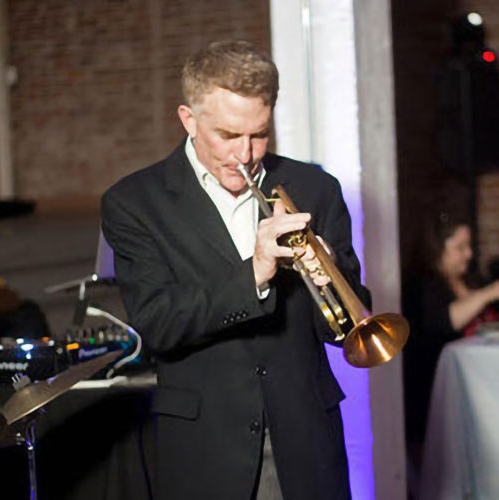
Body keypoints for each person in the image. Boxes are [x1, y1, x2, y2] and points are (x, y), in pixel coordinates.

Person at [101, 40, 370, 500]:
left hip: (306, 441)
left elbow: (345, 330)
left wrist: (327, 275)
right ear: (188, 119)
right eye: (227, 135)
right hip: (205, 448)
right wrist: (257, 271)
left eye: (260, 134)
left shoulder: (315, 187)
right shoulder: (134, 203)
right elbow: (158, 323)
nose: (245, 154)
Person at [403, 212, 499, 453]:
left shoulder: (473, 280)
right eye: (460, 247)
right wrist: (489, 293)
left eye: (469, 246)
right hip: (437, 394)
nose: (469, 254)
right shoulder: (422, 286)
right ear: (437, 250)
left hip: (481, 393)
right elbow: (441, 322)